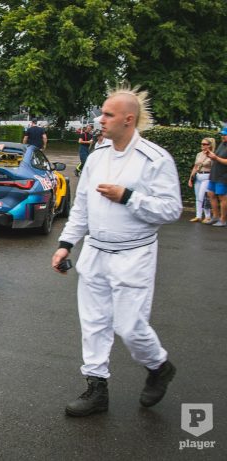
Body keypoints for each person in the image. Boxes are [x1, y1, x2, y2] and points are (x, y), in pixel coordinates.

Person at [51, 86, 181, 417]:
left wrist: (128, 197)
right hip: (95, 253)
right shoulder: (96, 157)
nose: (101, 119)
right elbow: (82, 206)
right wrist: (66, 244)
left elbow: (171, 210)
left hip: (134, 254)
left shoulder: (155, 159)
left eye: (108, 114)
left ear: (128, 119)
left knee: (130, 326)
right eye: (102, 113)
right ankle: (96, 389)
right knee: (93, 323)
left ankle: (158, 366)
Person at [187, 138, 214, 223]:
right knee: (198, 197)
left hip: (206, 176)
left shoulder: (212, 155)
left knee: (204, 197)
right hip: (198, 176)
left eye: (205, 144)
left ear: (209, 145)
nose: (202, 145)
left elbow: (212, 166)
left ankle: (207, 216)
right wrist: (190, 178)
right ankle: (198, 216)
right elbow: (195, 167)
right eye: (202, 143)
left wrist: (207, 155)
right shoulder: (199, 154)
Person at [205, 127, 227, 226]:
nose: (223, 136)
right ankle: (215, 217)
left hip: (223, 176)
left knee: (222, 197)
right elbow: (217, 157)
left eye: (225, 135)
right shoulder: (222, 144)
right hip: (214, 174)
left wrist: (216, 158)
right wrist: (211, 155)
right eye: (222, 134)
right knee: (211, 194)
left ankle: (223, 220)